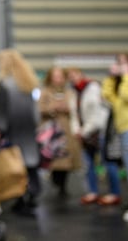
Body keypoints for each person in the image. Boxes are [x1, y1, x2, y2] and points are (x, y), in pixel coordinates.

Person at [0, 49, 41, 216]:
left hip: (12, 131)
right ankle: (32, 194)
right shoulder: (28, 82)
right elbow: (36, 112)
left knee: (15, 166)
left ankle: (20, 197)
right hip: (28, 130)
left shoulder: (4, 84)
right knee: (30, 164)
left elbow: (0, 112)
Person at [67, 66, 121, 206]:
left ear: (81, 74)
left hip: (99, 132)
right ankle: (92, 192)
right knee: (88, 164)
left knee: (108, 163)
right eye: (70, 75)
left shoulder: (93, 88)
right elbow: (74, 113)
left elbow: (97, 115)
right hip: (85, 133)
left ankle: (114, 193)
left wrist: (83, 131)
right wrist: (76, 130)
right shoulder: (73, 91)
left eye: (75, 74)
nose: (73, 77)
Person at [38, 66, 81, 196]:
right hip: (51, 131)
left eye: (60, 76)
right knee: (54, 159)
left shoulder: (70, 92)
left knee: (66, 159)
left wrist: (68, 109)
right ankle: (56, 180)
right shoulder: (45, 92)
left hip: (67, 130)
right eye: (55, 76)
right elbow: (39, 109)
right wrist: (53, 108)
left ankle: (63, 185)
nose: (58, 79)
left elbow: (76, 109)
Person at [101, 53, 128, 222]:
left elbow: (127, 96)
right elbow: (107, 96)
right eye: (118, 63)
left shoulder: (127, 82)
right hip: (122, 130)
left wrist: (126, 75)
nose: (120, 65)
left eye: (123, 62)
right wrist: (112, 78)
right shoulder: (120, 83)